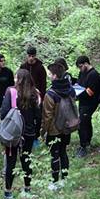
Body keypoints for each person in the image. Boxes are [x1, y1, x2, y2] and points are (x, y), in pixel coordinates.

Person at [0, 68, 42, 199]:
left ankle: (8, 192)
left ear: (20, 79)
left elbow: (3, 113)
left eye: (16, 77)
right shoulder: (35, 93)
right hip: (29, 133)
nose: (14, 80)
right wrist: (36, 133)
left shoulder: (11, 91)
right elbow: (38, 116)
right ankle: (27, 188)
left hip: (13, 133)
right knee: (26, 160)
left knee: (10, 161)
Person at [41, 60, 76, 190]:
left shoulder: (50, 94)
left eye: (50, 74)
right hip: (67, 127)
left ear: (55, 76)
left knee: (54, 155)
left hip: (54, 129)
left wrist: (43, 131)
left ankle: (54, 182)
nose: (49, 76)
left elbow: (47, 116)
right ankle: (65, 179)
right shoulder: (71, 90)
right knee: (63, 152)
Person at [75, 55, 100, 157]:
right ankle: (87, 141)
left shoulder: (93, 75)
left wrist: (79, 93)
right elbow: (79, 84)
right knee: (86, 121)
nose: (80, 69)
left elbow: (90, 92)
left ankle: (83, 146)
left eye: (81, 66)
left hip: (90, 103)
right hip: (83, 101)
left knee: (82, 122)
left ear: (86, 64)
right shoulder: (82, 73)